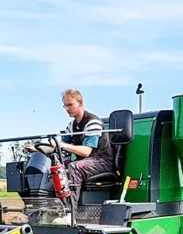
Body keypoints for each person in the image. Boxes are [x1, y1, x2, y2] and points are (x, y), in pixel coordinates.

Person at [25, 89, 115, 219]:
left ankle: (69, 213)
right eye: (65, 106)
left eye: (70, 105)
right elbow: (59, 146)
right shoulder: (71, 126)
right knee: (55, 165)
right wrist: (37, 149)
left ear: (80, 103)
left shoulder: (93, 122)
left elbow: (86, 151)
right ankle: (45, 209)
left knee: (74, 167)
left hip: (101, 161)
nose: (67, 109)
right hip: (87, 162)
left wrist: (63, 145)